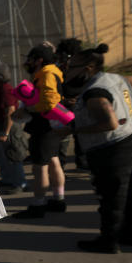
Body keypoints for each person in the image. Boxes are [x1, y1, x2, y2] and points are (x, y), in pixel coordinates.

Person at [64, 43, 132, 253]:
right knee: (127, 188)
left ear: (88, 68)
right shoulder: (114, 79)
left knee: (112, 193)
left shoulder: (95, 93)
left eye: (71, 67)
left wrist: (75, 131)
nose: (66, 71)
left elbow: (110, 123)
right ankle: (130, 233)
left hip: (114, 145)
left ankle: (109, 240)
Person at [13, 43, 69, 219]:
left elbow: (49, 102)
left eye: (30, 59)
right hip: (53, 125)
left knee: (40, 167)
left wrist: (28, 109)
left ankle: (39, 204)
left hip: (44, 127)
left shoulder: (46, 74)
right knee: (53, 161)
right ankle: (58, 199)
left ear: (39, 60)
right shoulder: (53, 71)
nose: (27, 63)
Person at [0, 64, 27, 194]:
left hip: (9, 128)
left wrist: (6, 132)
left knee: (13, 156)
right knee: (4, 157)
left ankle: (19, 183)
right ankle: (8, 180)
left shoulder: (5, 89)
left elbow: (10, 111)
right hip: (0, 127)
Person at [56, 38, 88, 170]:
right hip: (63, 106)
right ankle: (60, 166)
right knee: (63, 137)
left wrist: (80, 98)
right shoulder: (58, 69)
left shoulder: (82, 69)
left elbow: (87, 85)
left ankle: (82, 162)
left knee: (81, 135)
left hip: (78, 105)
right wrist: (63, 100)